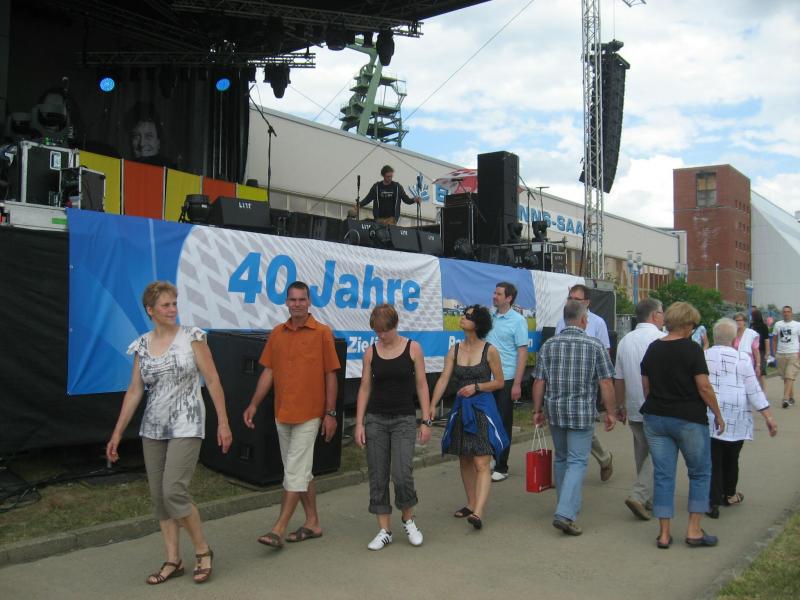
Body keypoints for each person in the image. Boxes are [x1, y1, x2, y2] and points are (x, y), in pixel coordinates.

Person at [105, 281, 232, 585]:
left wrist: (224, 422)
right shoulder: (142, 345)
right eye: (165, 305)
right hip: (153, 428)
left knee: (174, 491)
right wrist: (117, 433)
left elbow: (213, 380)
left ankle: (202, 550)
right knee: (160, 498)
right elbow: (134, 391)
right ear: (150, 310)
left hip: (187, 423)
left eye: (174, 303)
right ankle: (173, 560)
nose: (173, 309)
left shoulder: (192, 337)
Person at [243, 281, 341, 547]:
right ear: (286, 302)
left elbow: (331, 375)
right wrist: (253, 404)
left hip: (310, 415)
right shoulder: (277, 333)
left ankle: (278, 529)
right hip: (282, 413)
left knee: (295, 472)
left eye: (302, 299)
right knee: (300, 472)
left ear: (309, 302)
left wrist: (330, 413)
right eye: (293, 300)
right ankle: (313, 522)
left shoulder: (322, 333)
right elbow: (269, 371)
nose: (297, 304)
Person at [640, 301, 725, 549]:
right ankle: (694, 530)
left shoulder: (653, 348)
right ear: (687, 324)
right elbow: (704, 387)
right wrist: (717, 414)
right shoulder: (692, 349)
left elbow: (646, 387)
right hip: (689, 419)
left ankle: (664, 534)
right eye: (693, 325)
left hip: (655, 417)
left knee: (663, 475)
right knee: (699, 473)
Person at [533, 299, 616, 536]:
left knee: (561, 458)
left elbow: (539, 381)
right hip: (581, 412)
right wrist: (611, 412)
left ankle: (565, 505)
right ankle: (565, 513)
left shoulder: (549, 345)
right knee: (577, 461)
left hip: (555, 410)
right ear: (583, 320)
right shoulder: (594, 345)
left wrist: (537, 410)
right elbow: (606, 382)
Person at [354, 304, 432, 550]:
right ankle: (384, 530)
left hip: (404, 419)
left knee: (401, 473)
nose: (381, 335)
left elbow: (422, 385)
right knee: (378, 474)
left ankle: (408, 520)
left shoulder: (413, 348)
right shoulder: (370, 352)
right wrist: (359, 423)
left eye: (385, 331)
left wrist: (426, 420)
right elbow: (364, 388)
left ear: (395, 325)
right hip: (375, 419)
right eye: (377, 331)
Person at [429, 305, 507, 531]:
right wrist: (432, 406)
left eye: (468, 316)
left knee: (481, 461)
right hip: (461, 409)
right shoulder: (454, 350)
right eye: (464, 314)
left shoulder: (490, 350)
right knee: (464, 458)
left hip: (482, 409)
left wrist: (477, 386)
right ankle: (471, 503)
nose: (463, 318)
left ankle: (478, 512)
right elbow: (443, 379)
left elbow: (499, 382)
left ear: (478, 323)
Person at [704, 318, 778, 519]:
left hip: (711, 414)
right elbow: (753, 389)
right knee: (732, 457)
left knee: (713, 459)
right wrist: (768, 416)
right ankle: (729, 494)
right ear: (734, 338)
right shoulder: (742, 358)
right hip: (736, 417)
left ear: (714, 336)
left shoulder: (704, 356)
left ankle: (712, 502)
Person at [613, 298, 666, 521]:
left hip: (634, 404)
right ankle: (640, 494)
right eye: (662, 313)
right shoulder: (662, 339)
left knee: (642, 452)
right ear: (654, 315)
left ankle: (646, 496)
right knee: (659, 453)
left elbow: (618, 377)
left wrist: (620, 405)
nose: (664, 317)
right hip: (658, 405)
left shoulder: (625, 341)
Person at [555, 284, 614, 482]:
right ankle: (571, 466)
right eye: (569, 297)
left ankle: (587, 462)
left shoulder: (597, 323)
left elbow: (605, 353)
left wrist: (604, 388)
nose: (571, 301)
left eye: (576, 299)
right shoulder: (562, 321)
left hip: (586, 383)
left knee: (582, 426)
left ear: (587, 302)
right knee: (571, 426)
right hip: (563, 381)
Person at [485, 282, 529, 482]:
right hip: (487, 377)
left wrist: (517, 383)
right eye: (494, 292)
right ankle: (492, 457)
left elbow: (522, 353)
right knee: (488, 421)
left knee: (503, 422)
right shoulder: (490, 317)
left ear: (509, 298)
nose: (494, 296)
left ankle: (502, 466)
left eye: (499, 294)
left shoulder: (518, 321)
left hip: (507, 378)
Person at [356, 165, 421, 224]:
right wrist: (359, 205)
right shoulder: (377, 187)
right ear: (383, 175)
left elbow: (406, 199)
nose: (390, 178)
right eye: (388, 176)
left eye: (391, 176)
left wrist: (414, 199)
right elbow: (368, 199)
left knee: (389, 229)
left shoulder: (397, 187)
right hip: (379, 219)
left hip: (391, 219)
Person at [125, 102, 174, 167]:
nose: (142, 143)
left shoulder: (170, 170)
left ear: (158, 142)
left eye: (148, 136)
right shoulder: (124, 168)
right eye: (136, 136)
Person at [771, 305, 800, 409]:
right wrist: (775, 352)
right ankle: (791, 397)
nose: (786, 313)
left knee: (789, 375)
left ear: (791, 313)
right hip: (781, 354)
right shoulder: (778, 324)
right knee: (786, 378)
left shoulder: (797, 325)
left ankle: (785, 398)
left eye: (788, 311)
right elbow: (774, 339)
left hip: (793, 353)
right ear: (782, 313)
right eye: (784, 312)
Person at [732, 312, 761, 380]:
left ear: (744, 322)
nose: (738, 322)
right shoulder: (732, 333)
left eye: (740, 320)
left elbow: (756, 351)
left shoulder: (751, 334)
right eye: (736, 320)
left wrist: (758, 365)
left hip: (747, 363)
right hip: (734, 363)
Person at [750, 308, 771, 390]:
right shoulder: (763, 326)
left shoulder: (752, 326)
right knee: (761, 372)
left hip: (756, 350)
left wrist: (767, 352)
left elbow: (766, 340)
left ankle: (760, 390)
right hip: (760, 350)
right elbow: (767, 340)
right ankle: (761, 390)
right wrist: (767, 352)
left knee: (759, 371)